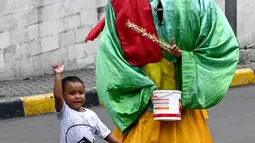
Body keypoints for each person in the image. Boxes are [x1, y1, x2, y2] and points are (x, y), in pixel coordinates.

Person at [86, 0, 239, 142]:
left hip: (145, 108)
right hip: (175, 110)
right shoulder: (200, 3)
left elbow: (111, 62)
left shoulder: (120, 4)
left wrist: (143, 90)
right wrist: (187, 61)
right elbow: (222, 48)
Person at [53, 61, 122, 143]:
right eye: (72, 93)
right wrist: (58, 74)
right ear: (63, 96)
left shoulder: (91, 115)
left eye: (81, 92)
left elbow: (106, 135)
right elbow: (57, 96)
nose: (77, 96)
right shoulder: (64, 112)